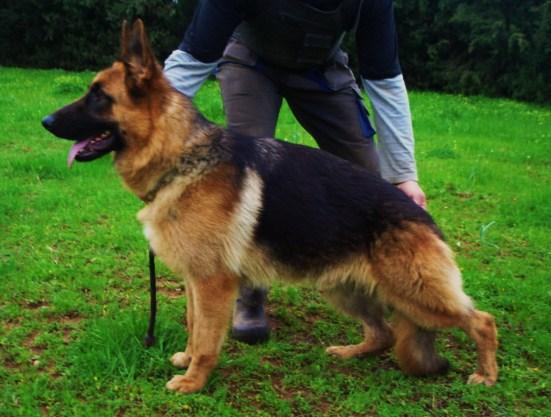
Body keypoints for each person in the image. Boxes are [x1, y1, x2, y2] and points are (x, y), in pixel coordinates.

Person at [163, 0, 426, 345]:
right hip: (251, 63)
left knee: (367, 175)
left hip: (321, 69)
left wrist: (404, 175)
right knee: (248, 170)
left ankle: (384, 288)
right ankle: (251, 296)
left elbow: (385, 79)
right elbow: (192, 59)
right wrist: (152, 132)